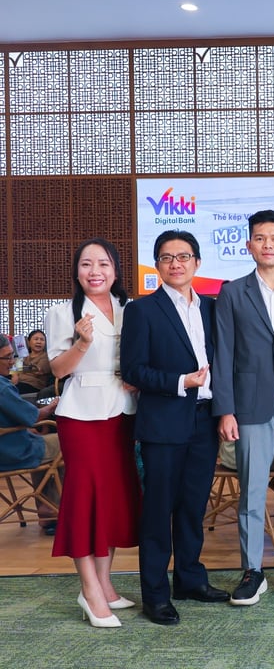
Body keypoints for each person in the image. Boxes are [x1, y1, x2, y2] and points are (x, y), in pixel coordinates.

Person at [121, 230, 229, 626]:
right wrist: (182, 381)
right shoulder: (142, 311)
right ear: (157, 266)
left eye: (183, 256)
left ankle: (190, 579)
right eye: (167, 257)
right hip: (164, 422)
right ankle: (155, 594)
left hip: (204, 421)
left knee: (193, 507)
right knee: (158, 511)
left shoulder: (212, 308)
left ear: (197, 263)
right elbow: (133, 370)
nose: (175, 263)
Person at [212, 210, 274, 606]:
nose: (268, 244)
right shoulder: (232, 293)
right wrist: (225, 409)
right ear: (249, 245)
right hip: (249, 404)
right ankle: (252, 570)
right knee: (252, 491)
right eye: (260, 238)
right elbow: (223, 354)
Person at [44, 238, 141, 628]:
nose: (95, 271)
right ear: (77, 271)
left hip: (123, 412)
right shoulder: (62, 312)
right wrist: (82, 343)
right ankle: (89, 590)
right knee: (85, 499)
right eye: (86, 264)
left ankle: (105, 583)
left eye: (103, 264)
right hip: (81, 414)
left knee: (113, 499)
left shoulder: (130, 310)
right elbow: (58, 369)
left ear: (115, 270)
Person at [0, 337, 60, 532]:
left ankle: (45, 507)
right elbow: (33, 416)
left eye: (13, 356)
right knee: (67, 444)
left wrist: (24, 427)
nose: (12, 362)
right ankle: (53, 509)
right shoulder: (3, 388)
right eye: (7, 357)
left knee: (42, 442)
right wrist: (51, 406)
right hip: (13, 451)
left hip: (10, 443)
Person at [12, 329, 55, 396]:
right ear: (29, 342)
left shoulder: (46, 356)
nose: (39, 342)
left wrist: (17, 369)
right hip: (19, 382)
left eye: (42, 340)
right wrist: (15, 374)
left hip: (34, 385)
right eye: (36, 339)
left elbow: (36, 369)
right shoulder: (24, 356)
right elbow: (14, 369)